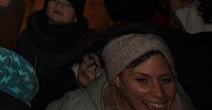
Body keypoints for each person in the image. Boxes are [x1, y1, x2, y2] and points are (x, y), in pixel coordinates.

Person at [46, 33, 196, 109]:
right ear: (117, 79)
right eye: (143, 80)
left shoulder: (182, 104)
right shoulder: (75, 106)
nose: (159, 93)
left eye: (166, 80)